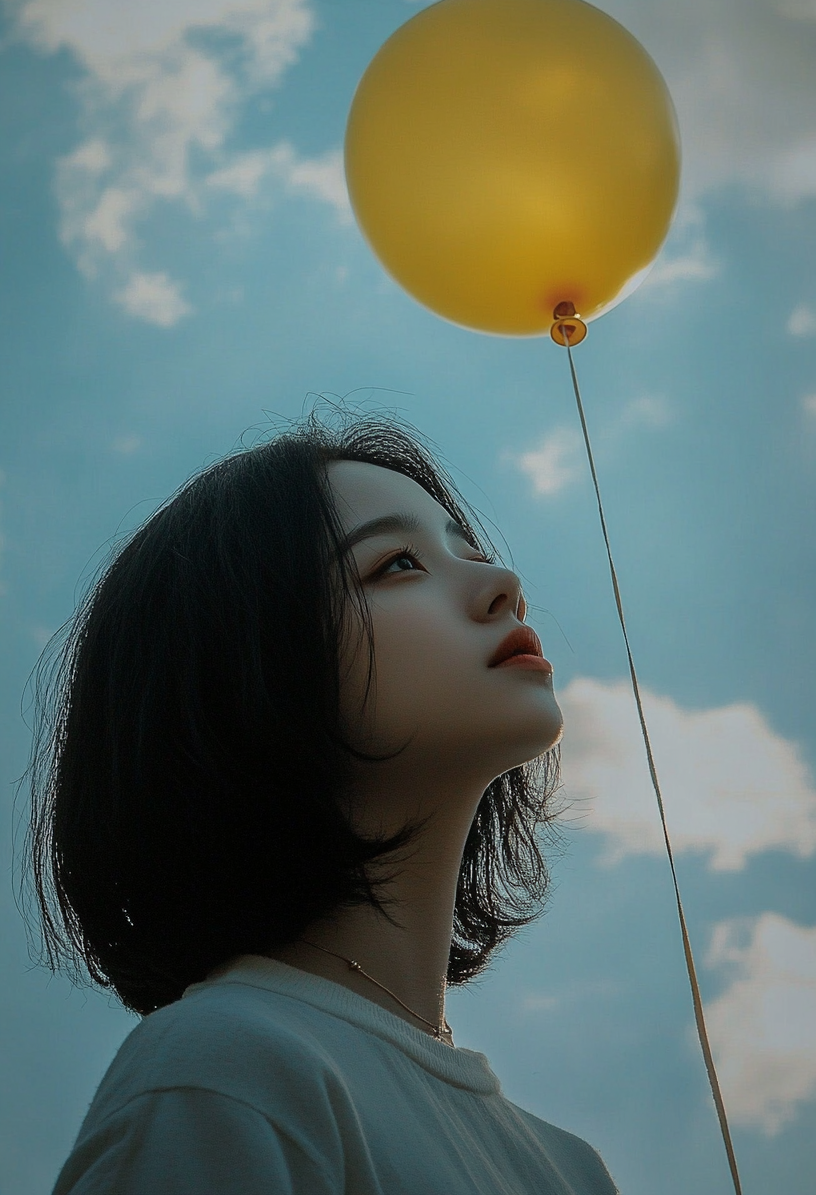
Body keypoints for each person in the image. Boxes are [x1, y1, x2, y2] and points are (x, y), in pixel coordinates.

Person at [26, 413, 619, 1194]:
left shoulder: (573, 1172)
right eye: (400, 563)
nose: (501, 585)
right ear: (248, 671)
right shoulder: (226, 1067)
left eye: (469, 550)